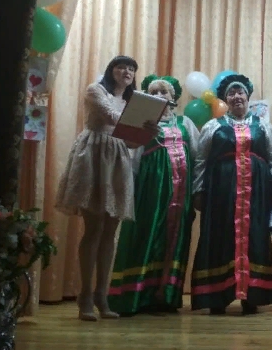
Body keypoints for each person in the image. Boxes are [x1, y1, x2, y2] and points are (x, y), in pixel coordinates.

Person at [55, 55, 159, 321]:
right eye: (121, 66)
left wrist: (148, 132)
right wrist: (142, 119)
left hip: (118, 159)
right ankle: (85, 296)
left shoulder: (131, 103)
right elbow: (112, 118)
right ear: (111, 70)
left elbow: (131, 142)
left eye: (132, 68)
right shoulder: (96, 90)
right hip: (93, 156)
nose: (127, 71)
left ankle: (102, 295)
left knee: (111, 231)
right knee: (93, 228)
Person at [190, 73, 272, 315]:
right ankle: (217, 296)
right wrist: (198, 189)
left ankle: (252, 295)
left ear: (247, 96)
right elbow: (201, 160)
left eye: (240, 92)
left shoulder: (262, 125)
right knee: (220, 235)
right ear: (225, 99)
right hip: (221, 191)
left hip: (256, 191)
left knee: (255, 235)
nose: (236, 96)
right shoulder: (213, 126)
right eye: (231, 93)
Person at [107, 75, 200, 316]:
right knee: (147, 236)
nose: (159, 96)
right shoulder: (141, 124)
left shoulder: (186, 123)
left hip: (181, 195)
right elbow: (132, 160)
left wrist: (197, 190)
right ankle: (139, 296)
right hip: (151, 192)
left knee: (176, 240)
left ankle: (167, 296)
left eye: (163, 92)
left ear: (173, 97)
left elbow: (197, 156)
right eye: (153, 92)